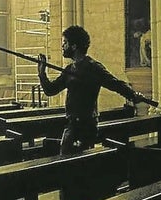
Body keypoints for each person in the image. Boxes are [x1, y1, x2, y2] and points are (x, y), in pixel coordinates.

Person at [38, 25, 143, 156]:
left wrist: (132, 95)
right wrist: (42, 72)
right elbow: (50, 90)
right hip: (71, 123)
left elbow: (114, 83)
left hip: (87, 124)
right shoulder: (70, 69)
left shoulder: (93, 67)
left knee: (81, 162)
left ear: (74, 46)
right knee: (65, 158)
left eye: (65, 43)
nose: (62, 46)